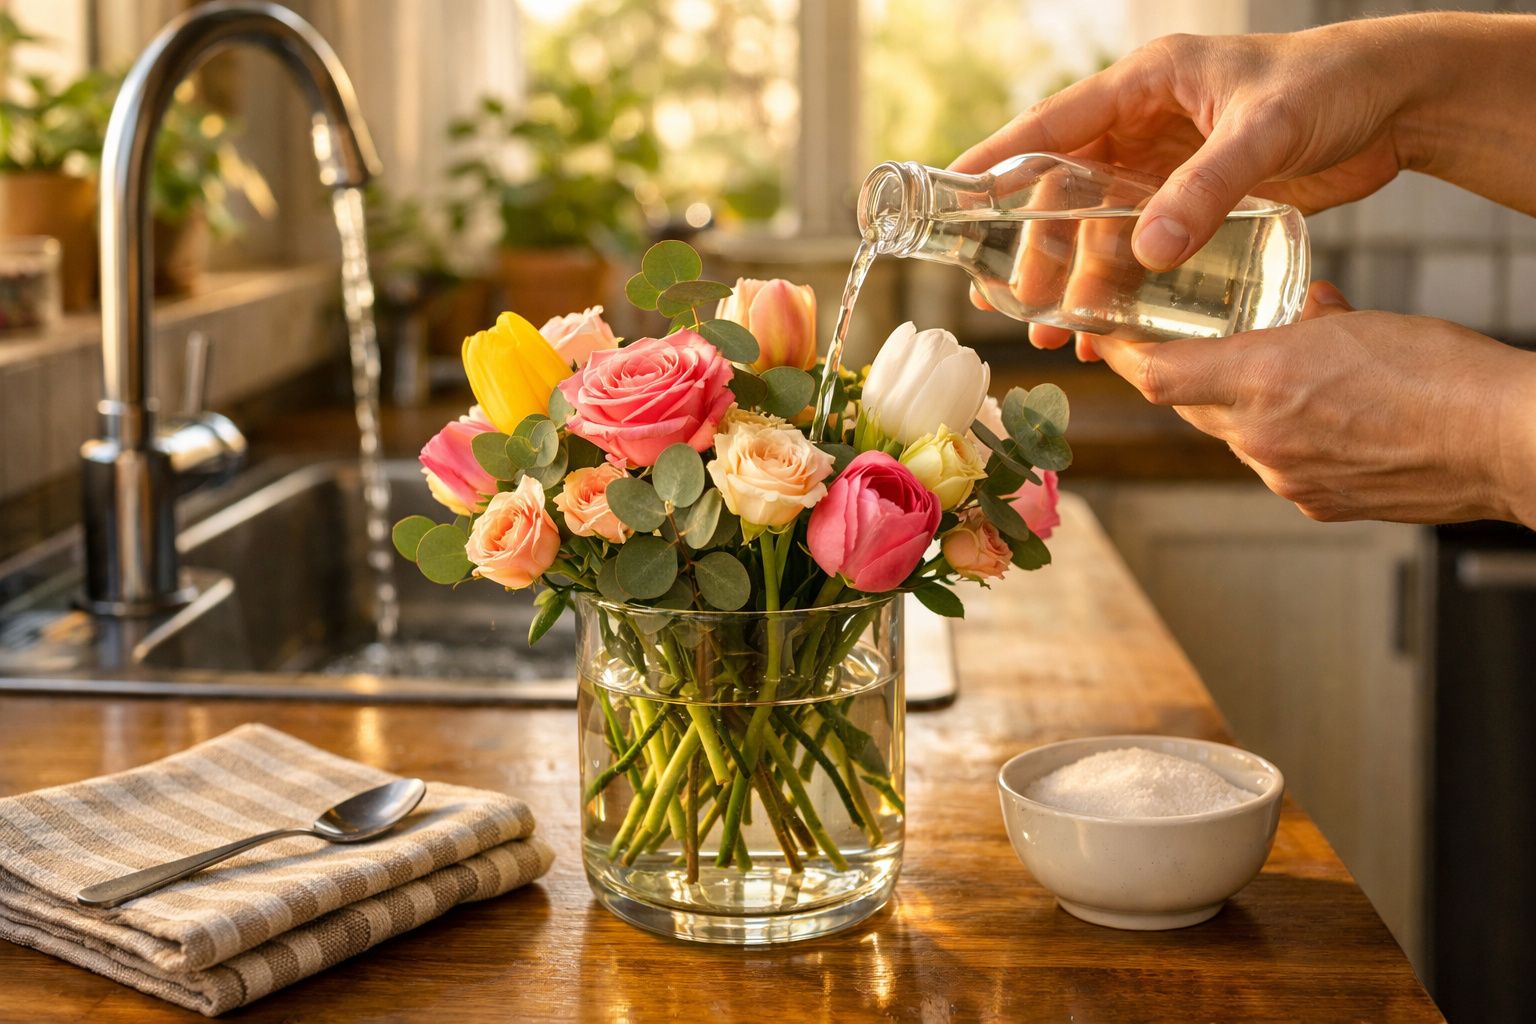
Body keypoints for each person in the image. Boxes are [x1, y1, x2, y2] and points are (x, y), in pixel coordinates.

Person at [951, 11, 1536, 529]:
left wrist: (1478, 436)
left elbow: (1482, 433)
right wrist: (1399, 104)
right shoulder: (1001, 279)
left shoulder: (1017, 199)